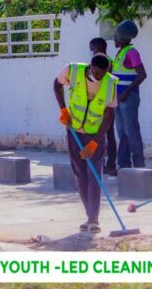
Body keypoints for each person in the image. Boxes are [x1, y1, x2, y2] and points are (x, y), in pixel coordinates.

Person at [54, 55, 119, 233]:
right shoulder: (73, 70)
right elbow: (57, 84)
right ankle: (89, 215)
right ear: (91, 67)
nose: (99, 77)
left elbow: (109, 115)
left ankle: (94, 219)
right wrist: (63, 109)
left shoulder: (110, 83)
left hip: (94, 135)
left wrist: (95, 142)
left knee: (94, 176)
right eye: (97, 73)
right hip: (74, 131)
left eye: (103, 74)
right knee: (80, 174)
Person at [112, 20, 147, 168]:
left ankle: (139, 165)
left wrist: (126, 92)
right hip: (118, 99)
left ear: (119, 38)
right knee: (122, 133)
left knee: (131, 132)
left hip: (127, 98)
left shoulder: (132, 53)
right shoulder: (120, 52)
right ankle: (124, 166)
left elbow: (142, 75)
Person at [89, 37, 117, 176]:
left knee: (102, 134)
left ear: (98, 47)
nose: (91, 52)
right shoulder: (110, 59)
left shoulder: (102, 61)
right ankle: (109, 163)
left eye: (92, 48)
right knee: (109, 134)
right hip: (104, 101)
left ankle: (106, 164)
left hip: (101, 103)